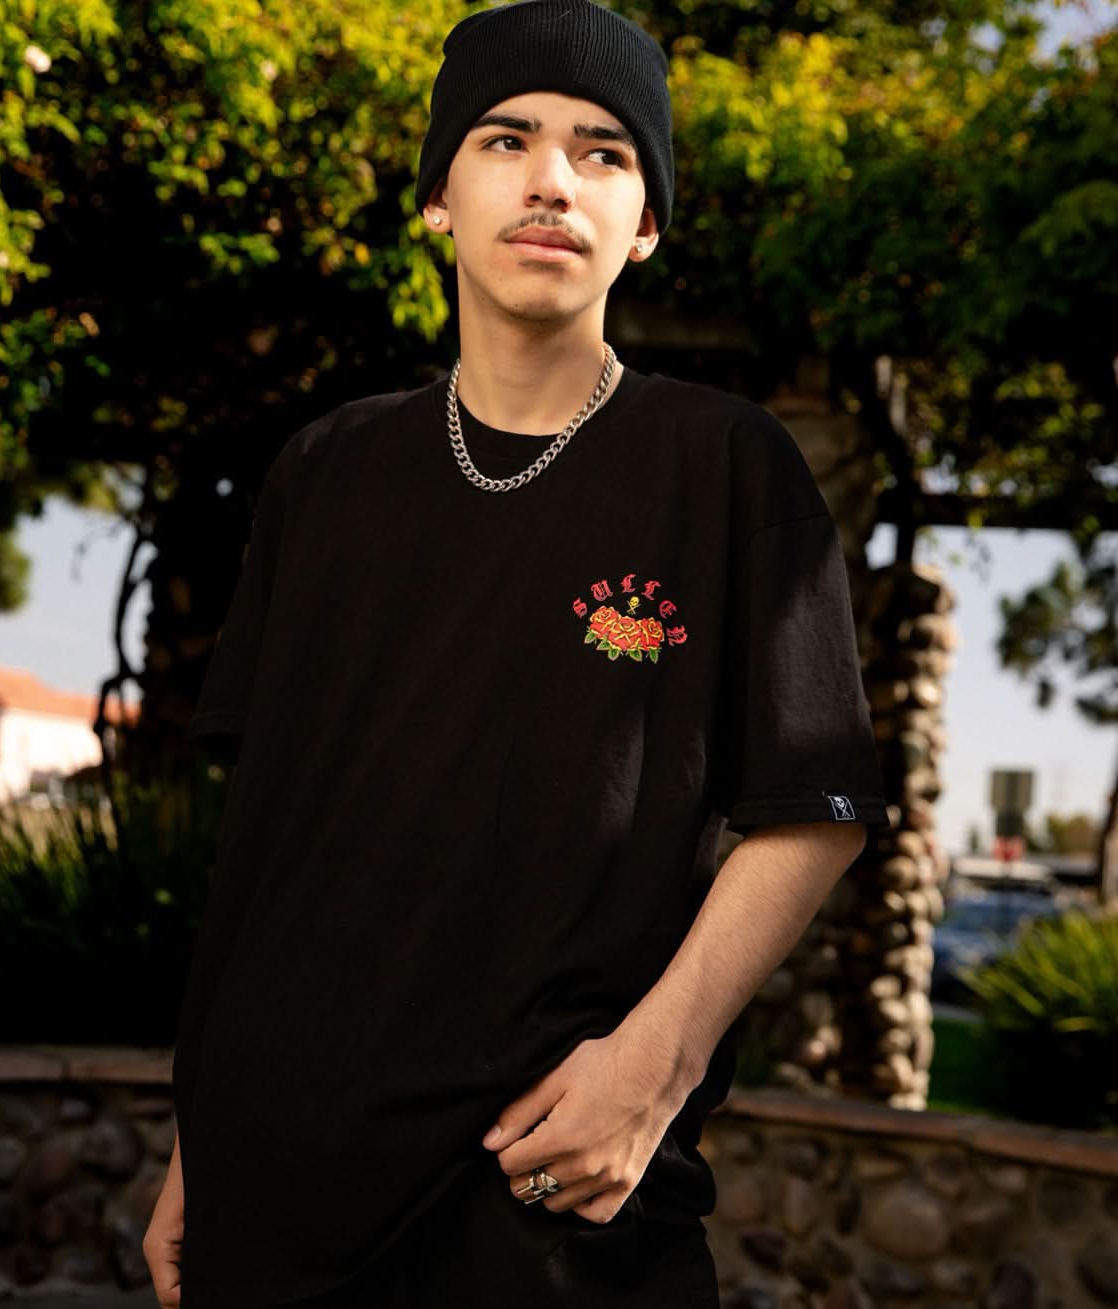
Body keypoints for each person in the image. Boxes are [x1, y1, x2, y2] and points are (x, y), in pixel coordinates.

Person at [143, 1, 890, 1305]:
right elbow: (268, 841)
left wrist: (653, 1069)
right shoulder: (325, 472)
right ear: (439, 197)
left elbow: (813, 810)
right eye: (506, 139)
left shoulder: (725, 467)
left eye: (606, 152)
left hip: (554, 1194)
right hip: (275, 1187)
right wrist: (198, 1137)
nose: (553, 179)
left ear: (645, 224)